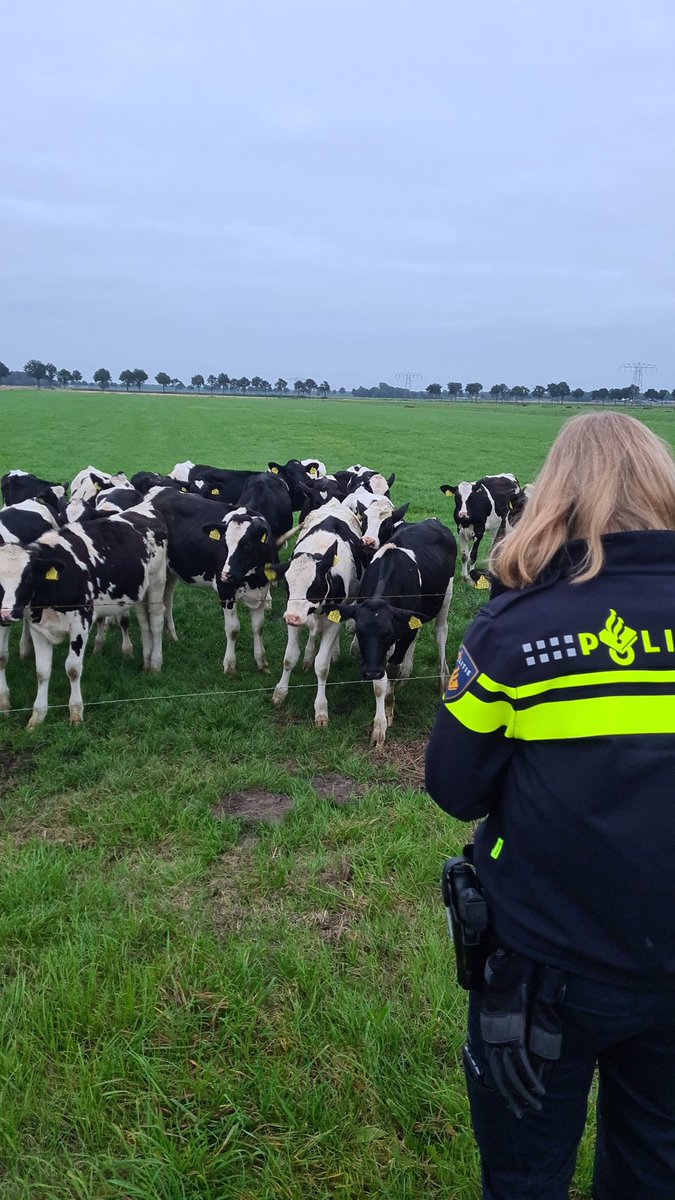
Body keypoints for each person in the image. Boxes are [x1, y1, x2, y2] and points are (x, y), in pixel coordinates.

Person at [425, 411, 675, 1200]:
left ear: (555, 494)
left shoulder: (517, 629)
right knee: (656, 1166)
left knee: (525, 1174)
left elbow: (454, 788)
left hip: (544, 963)